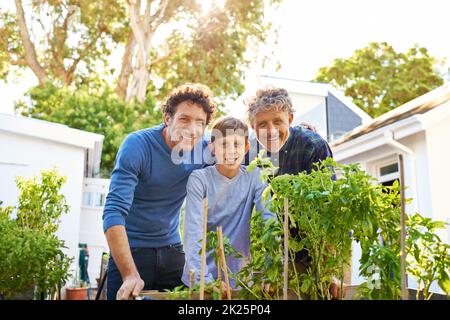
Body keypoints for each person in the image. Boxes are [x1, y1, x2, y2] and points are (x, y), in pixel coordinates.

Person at [102, 83, 216, 300]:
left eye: (200, 122)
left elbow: (246, 149)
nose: (192, 129)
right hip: (131, 253)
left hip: (172, 251)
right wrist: (129, 275)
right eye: (184, 119)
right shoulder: (137, 145)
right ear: (167, 118)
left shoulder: (204, 149)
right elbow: (113, 212)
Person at [244, 87, 345, 299]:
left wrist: (329, 271)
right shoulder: (248, 154)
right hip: (272, 250)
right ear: (253, 126)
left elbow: (327, 209)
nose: (270, 130)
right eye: (262, 124)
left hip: (315, 248)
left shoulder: (312, 146)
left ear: (290, 119)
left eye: (277, 121)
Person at [182, 116, 274, 289]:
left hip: (240, 280)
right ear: (212, 148)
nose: (231, 150)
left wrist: (271, 272)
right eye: (224, 144)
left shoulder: (255, 178)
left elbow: (270, 223)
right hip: (200, 280)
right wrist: (205, 281)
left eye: (237, 144)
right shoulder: (199, 180)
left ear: (246, 148)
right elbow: (193, 234)